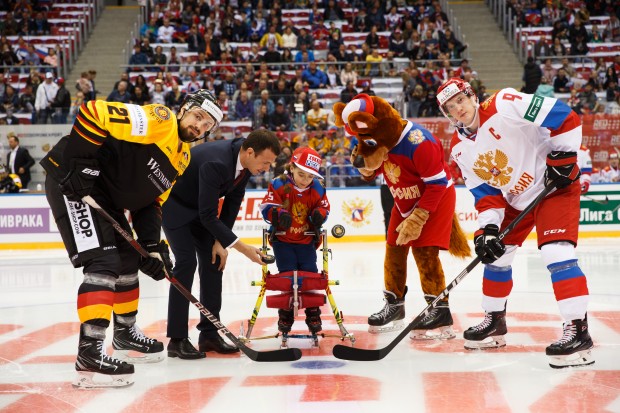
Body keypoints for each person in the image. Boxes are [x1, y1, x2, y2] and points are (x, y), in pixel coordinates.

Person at [39, 89, 222, 387]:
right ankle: (89, 353)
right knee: (103, 261)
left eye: (206, 126)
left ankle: (124, 333)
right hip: (71, 182)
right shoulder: (160, 120)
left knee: (127, 258)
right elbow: (93, 113)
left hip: (102, 194)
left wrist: (150, 247)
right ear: (184, 109)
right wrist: (79, 164)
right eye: (198, 117)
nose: (198, 127)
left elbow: (151, 202)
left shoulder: (183, 156)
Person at [436, 78, 594, 368]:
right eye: (449, 107)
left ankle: (578, 331)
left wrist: (564, 156)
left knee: (556, 252)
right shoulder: (460, 151)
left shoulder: (504, 102)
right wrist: (488, 230)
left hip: (553, 185)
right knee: (496, 257)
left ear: (471, 95)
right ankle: (495, 320)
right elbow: (487, 197)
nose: (457, 109)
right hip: (517, 198)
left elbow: (564, 116)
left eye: (460, 99)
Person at [163, 129, 280, 359]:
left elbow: (232, 203)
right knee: (186, 263)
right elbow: (208, 215)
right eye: (265, 163)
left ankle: (209, 334)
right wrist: (243, 248)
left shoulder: (246, 165)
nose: (267, 169)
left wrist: (220, 242)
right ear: (250, 152)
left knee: (214, 261)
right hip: (175, 207)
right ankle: (176, 340)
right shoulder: (216, 162)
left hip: (200, 210)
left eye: (270, 164)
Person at [261, 147, 330, 336]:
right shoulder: (279, 184)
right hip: (283, 240)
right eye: (301, 174)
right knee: (287, 276)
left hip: (306, 240)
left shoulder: (317, 187)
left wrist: (320, 215)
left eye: (310, 177)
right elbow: (267, 205)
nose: (305, 180)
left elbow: (325, 207)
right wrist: (277, 213)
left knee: (309, 276)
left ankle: (313, 312)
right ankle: (285, 313)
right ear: (292, 167)